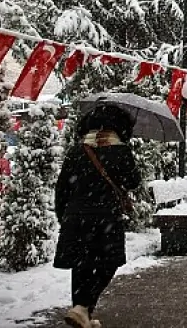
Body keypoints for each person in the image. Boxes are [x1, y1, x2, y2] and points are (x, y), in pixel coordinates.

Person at [54, 105, 141, 328]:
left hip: (76, 216)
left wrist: (63, 215)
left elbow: (62, 188)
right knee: (108, 263)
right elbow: (134, 182)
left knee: (81, 265)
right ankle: (83, 308)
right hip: (106, 218)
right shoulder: (120, 151)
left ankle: (82, 313)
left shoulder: (77, 150)